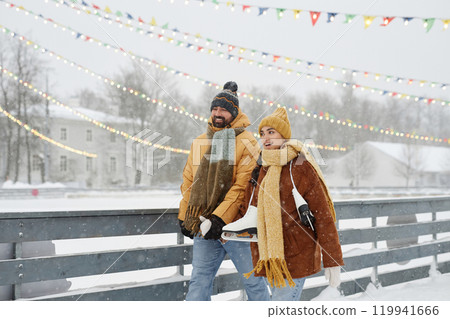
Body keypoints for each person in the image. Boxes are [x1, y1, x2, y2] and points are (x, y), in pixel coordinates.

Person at [231, 107, 344, 301]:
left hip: (296, 254)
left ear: (284, 136)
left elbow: (322, 213)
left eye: (271, 132)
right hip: (269, 257)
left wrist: (332, 258)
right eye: (262, 133)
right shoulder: (261, 167)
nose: (266, 137)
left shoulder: (300, 165)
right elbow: (249, 209)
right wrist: (220, 225)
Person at [178, 81, 269, 301]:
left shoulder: (247, 142)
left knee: (254, 282)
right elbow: (189, 181)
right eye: (215, 108)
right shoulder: (200, 142)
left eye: (224, 109)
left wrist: (220, 218)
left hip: (238, 226)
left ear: (234, 113)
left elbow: (242, 185)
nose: (218, 113)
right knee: (199, 281)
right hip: (204, 223)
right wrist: (185, 216)